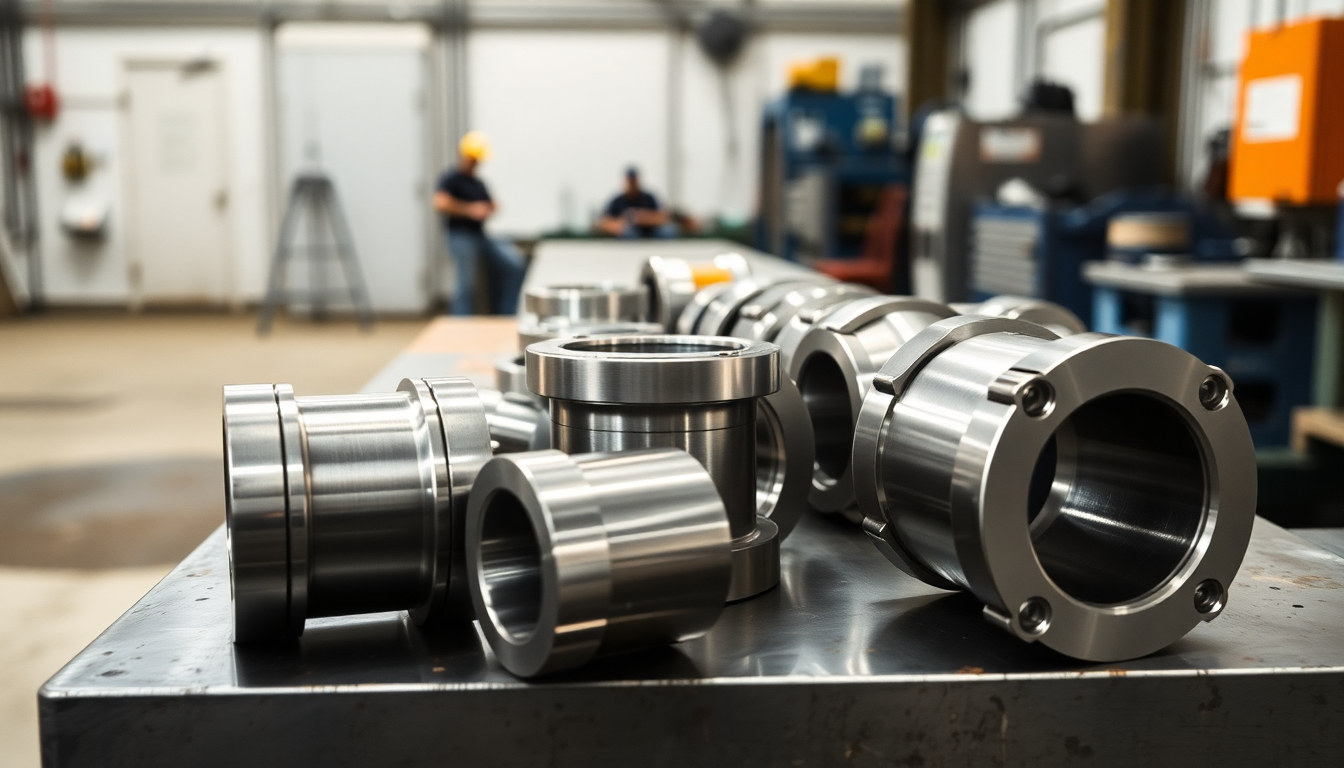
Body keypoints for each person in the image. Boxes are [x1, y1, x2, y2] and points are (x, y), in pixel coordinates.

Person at [433, 131, 526, 315]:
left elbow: (493, 204)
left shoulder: (477, 182)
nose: (476, 163)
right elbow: (440, 203)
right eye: (473, 159)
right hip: (460, 236)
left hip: (480, 236)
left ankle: (506, 314)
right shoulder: (451, 179)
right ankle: (461, 322)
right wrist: (470, 210)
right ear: (464, 156)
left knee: (514, 265)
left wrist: (488, 209)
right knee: (466, 283)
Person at [598, 167, 674, 239]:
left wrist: (642, 217)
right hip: (630, 233)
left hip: (651, 231)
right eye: (630, 181)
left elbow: (663, 217)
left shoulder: (648, 198)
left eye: (634, 180)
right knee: (629, 232)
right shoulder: (618, 201)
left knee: (668, 230)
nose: (632, 184)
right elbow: (604, 221)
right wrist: (619, 224)